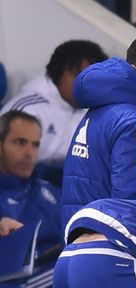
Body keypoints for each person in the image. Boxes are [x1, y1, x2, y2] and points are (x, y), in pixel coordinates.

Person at [61, 32, 136, 225]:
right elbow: (135, 206)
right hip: (118, 248)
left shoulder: (97, 111)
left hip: (82, 243)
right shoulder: (133, 119)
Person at [0, 40, 107, 186]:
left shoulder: (97, 109)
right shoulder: (26, 110)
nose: (86, 84)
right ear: (58, 75)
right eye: (78, 75)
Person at [0, 111, 65, 288]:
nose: (29, 153)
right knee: (81, 272)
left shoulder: (48, 191)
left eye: (35, 144)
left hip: (52, 270)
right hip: (14, 285)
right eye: (20, 142)